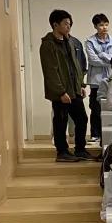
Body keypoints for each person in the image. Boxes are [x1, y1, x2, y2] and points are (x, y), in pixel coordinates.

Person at [39, 9, 91, 161]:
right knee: (61, 121)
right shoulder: (48, 45)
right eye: (66, 23)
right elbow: (50, 71)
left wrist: (81, 84)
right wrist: (60, 92)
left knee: (82, 118)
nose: (69, 26)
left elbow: (77, 65)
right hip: (61, 92)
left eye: (70, 24)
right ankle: (62, 152)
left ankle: (80, 149)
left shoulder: (71, 42)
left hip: (74, 89)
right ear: (55, 25)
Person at [84, 12, 112, 143]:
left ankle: (111, 134)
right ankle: (95, 134)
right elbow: (93, 60)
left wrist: (103, 55)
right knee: (95, 108)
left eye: (106, 24)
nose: (104, 27)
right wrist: (111, 61)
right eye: (101, 25)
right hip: (96, 80)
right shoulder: (90, 42)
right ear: (95, 26)